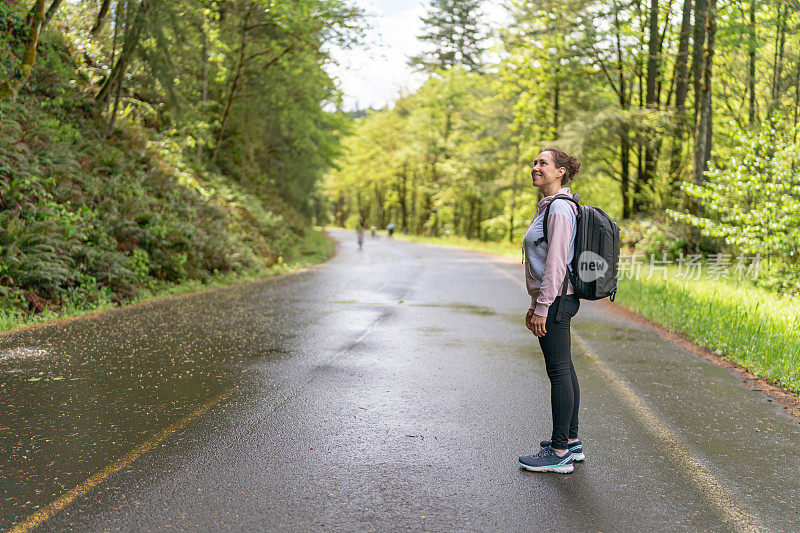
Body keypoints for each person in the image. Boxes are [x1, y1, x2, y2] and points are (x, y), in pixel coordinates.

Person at [518, 147, 583, 474]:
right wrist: (535, 304)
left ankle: (559, 453)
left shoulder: (558, 209)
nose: (535, 167)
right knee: (564, 367)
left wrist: (543, 307)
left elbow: (556, 263)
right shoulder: (551, 207)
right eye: (535, 162)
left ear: (560, 171)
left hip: (556, 299)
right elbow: (543, 263)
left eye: (542, 163)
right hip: (555, 298)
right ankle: (570, 441)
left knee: (558, 371)